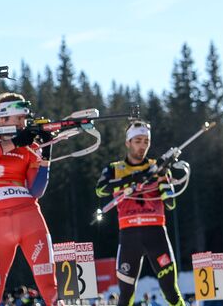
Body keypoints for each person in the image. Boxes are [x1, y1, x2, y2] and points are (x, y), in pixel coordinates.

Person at [0, 93, 61, 306]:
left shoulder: (29, 146)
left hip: (30, 219)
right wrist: (13, 143)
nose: (24, 124)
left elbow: (36, 190)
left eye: (25, 120)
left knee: (49, 288)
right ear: (3, 119)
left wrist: (45, 156)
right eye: (20, 119)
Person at [95, 121, 184, 306]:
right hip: (129, 237)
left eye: (146, 141)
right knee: (126, 296)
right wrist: (132, 179)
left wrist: (164, 179)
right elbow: (100, 189)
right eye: (137, 141)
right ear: (128, 142)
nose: (142, 146)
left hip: (156, 234)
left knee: (171, 292)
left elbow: (170, 204)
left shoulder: (156, 166)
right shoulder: (115, 168)